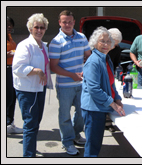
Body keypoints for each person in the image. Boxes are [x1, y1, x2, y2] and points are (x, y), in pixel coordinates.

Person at [49, 10, 91, 156]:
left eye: (70, 21)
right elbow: (53, 67)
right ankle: (67, 142)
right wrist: (71, 75)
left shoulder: (82, 37)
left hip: (81, 84)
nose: (67, 24)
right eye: (64, 22)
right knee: (65, 115)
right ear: (60, 23)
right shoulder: (55, 42)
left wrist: (86, 70)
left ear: (74, 22)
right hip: (65, 86)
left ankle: (75, 134)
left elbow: (88, 57)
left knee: (81, 114)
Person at [12, 13, 53, 157]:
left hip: (39, 88)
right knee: (30, 124)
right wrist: (36, 70)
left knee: (36, 122)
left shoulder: (43, 46)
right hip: (28, 90)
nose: (39, 30)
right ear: (30, 28)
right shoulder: (25, 45)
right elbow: (17, 68)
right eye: (36, 27)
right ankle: (28, 156)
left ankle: (30, 148)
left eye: (42, 27)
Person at [81, 26, 126, 157]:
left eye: (108, 41)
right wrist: (112, 104)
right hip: (93, 109)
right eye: (102, 41)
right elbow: (94, 89)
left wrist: (117, 99)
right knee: (93, 146)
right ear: (94, 43)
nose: (106, 44)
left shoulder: (106, 59)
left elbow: (110, 84)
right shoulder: (93, 61)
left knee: (96, 143)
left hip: (100, 107)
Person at [6, 16, 23, 134]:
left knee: (12, 98)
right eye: (7, 25)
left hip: (12, 69)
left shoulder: (9, 37)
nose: (9, 27)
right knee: (7, 98)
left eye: (10, 25)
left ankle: (10, 123)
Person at [105, 28, 123, 132]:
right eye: (113, 44)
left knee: (112, 95)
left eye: (116, 44)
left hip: (110, 75)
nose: (114, 46)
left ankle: (108, 122)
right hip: (102, 75)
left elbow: (116, 63)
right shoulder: (99, 49)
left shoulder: (117, 48)